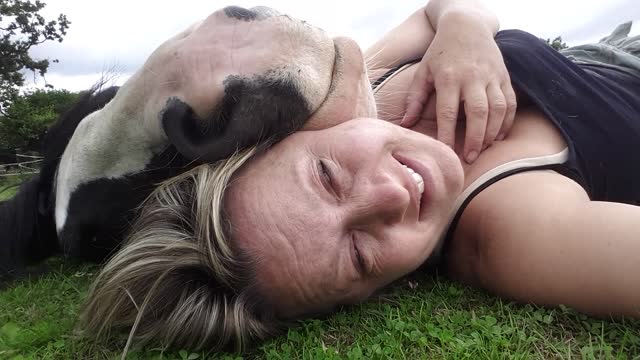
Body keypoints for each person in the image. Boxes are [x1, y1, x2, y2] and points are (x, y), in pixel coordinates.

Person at [80, 0, 640, 354]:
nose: (390, 196)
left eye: (326, 176)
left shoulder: (362, 86)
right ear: (386, 289)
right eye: (361, 257)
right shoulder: (510, 232)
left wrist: (464, 28)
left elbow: (433, 11)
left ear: (293, 134)